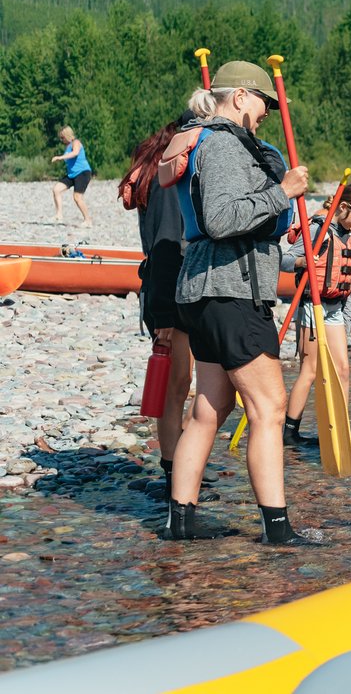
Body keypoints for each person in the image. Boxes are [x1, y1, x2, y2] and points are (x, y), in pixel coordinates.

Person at [162, 60, 321, 545]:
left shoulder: (203, 139)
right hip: (231, 292)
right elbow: (222, 218)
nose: (268, 112)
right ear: (238, 98)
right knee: (270, 409)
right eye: (263, 102)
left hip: (203, 292)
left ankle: (181, 521)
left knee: (210, 409)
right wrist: (282, 192)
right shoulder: (226, 144)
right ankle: (278, 530)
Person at [119, 112, 209, 506]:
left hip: (165, 289)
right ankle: (175, 474)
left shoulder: (158, 166)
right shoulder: (167, 177)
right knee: (177, 388)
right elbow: (168, 245)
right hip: (169, 293)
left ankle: (178, 470)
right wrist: (167, 317)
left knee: (182, 386)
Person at [282, 183, 351, 446]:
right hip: (313, 307)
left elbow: (350, 287)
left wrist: (347, 326)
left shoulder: (348, 237)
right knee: (310, 370)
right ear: (343, 207)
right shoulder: (316, 229)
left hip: (335, 310)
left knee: (342, 370)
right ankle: (290, 432)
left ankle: (338, 431)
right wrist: (304, 261)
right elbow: (285, 260)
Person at [51, 126, 94, 227]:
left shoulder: (76, 142)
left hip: (82, 173)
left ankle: (88, 221)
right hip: (72, 175)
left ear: (67, 135)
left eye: (62, 137)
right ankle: (59, 214)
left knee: (77, 197)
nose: (62, 140)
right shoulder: (67, 146)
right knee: (56, 189)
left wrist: (60, 157)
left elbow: (75, 153)